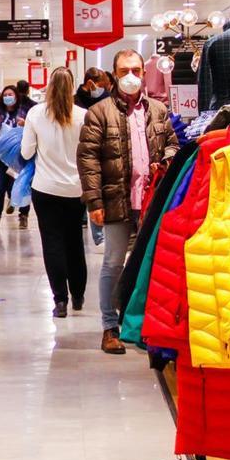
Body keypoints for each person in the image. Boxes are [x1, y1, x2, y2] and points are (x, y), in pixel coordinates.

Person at [77, 50, 179, 353]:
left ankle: (140, 323)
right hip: (115, 199)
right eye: (124, 71)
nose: (131, 75)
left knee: (148, 263)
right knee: (112, 262)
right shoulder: (99, 112)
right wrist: (94, 201)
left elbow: (172, 144)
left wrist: (168, 159)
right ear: (114, 75)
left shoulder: (158, 110)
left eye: (136, 69)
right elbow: (88, 160)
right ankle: (110, 326)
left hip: (150, 202)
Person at [21, 68, 89, 318]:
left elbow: (27, 152)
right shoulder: (83, 115)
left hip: (45, 188)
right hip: (76, 189)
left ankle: (60, 300)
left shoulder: (36, 114)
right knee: (74, 243)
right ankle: (79, 295)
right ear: (73, 86)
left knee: (52, 243)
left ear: (49, 86)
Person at [0, 84, 32, 228]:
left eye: (10, 95)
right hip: (1, 156)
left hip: (18, 155)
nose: (8, 98)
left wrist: (26, 124)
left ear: (16, 97)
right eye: (5, 95)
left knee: (21, 185)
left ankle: (23, 215)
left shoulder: (24, 112)